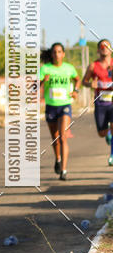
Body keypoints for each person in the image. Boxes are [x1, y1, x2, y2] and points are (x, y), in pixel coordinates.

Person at [40, 43, 80, 180]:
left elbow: (77, 79)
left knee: (63, 137)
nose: (57, 54)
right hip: (51, 106)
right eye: (54, 52)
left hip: (65, 105)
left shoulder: (69, 68)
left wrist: (75, 91)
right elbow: (34, 87)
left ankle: (63, 170)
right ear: (51, 54)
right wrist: (42, 82)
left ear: (63, 54)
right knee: (55, 139)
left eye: (59, 52)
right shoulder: (45, 69)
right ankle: (57, 158)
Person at [82, 39, 113, 165]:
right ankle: (107, 134)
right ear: (98, 50)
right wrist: (90, 84)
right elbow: (84, 81)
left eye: (107, 46)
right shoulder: (93, 66)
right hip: (100, 103)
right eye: (102, 46)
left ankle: (112, 155)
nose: (104, 48)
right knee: (102, 133)